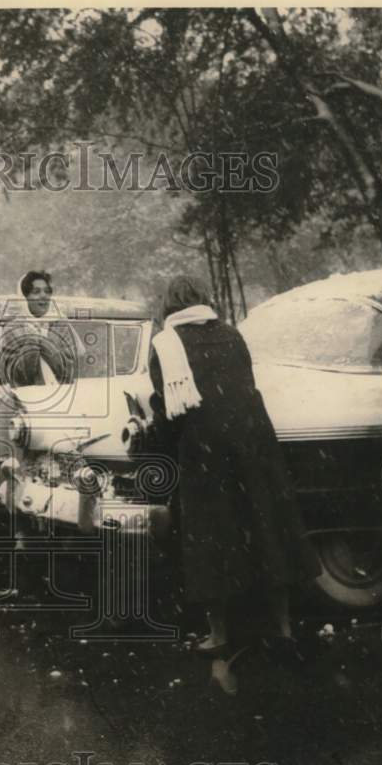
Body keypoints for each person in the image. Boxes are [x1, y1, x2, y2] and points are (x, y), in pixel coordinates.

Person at [148, 276, 320, 657]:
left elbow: (169, 410)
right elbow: (245, 383)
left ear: (169, 305)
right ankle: (283, 627)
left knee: (211, 538)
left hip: (205, 449)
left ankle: (219, 634)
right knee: (266, 528)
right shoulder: (231, 334)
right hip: (253, 442)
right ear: (203, 299)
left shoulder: (166, 344)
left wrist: (159, 435)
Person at [0, 270, 80, 387]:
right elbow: (15, 376)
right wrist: (31, 343)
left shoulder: (61, 326)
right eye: (36, 292)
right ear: (25, 298)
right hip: (27, 395)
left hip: (63, 392)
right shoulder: (12, 330)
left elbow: (70, 370)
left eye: (47, 291)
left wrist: (44, 343)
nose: (43, 296)